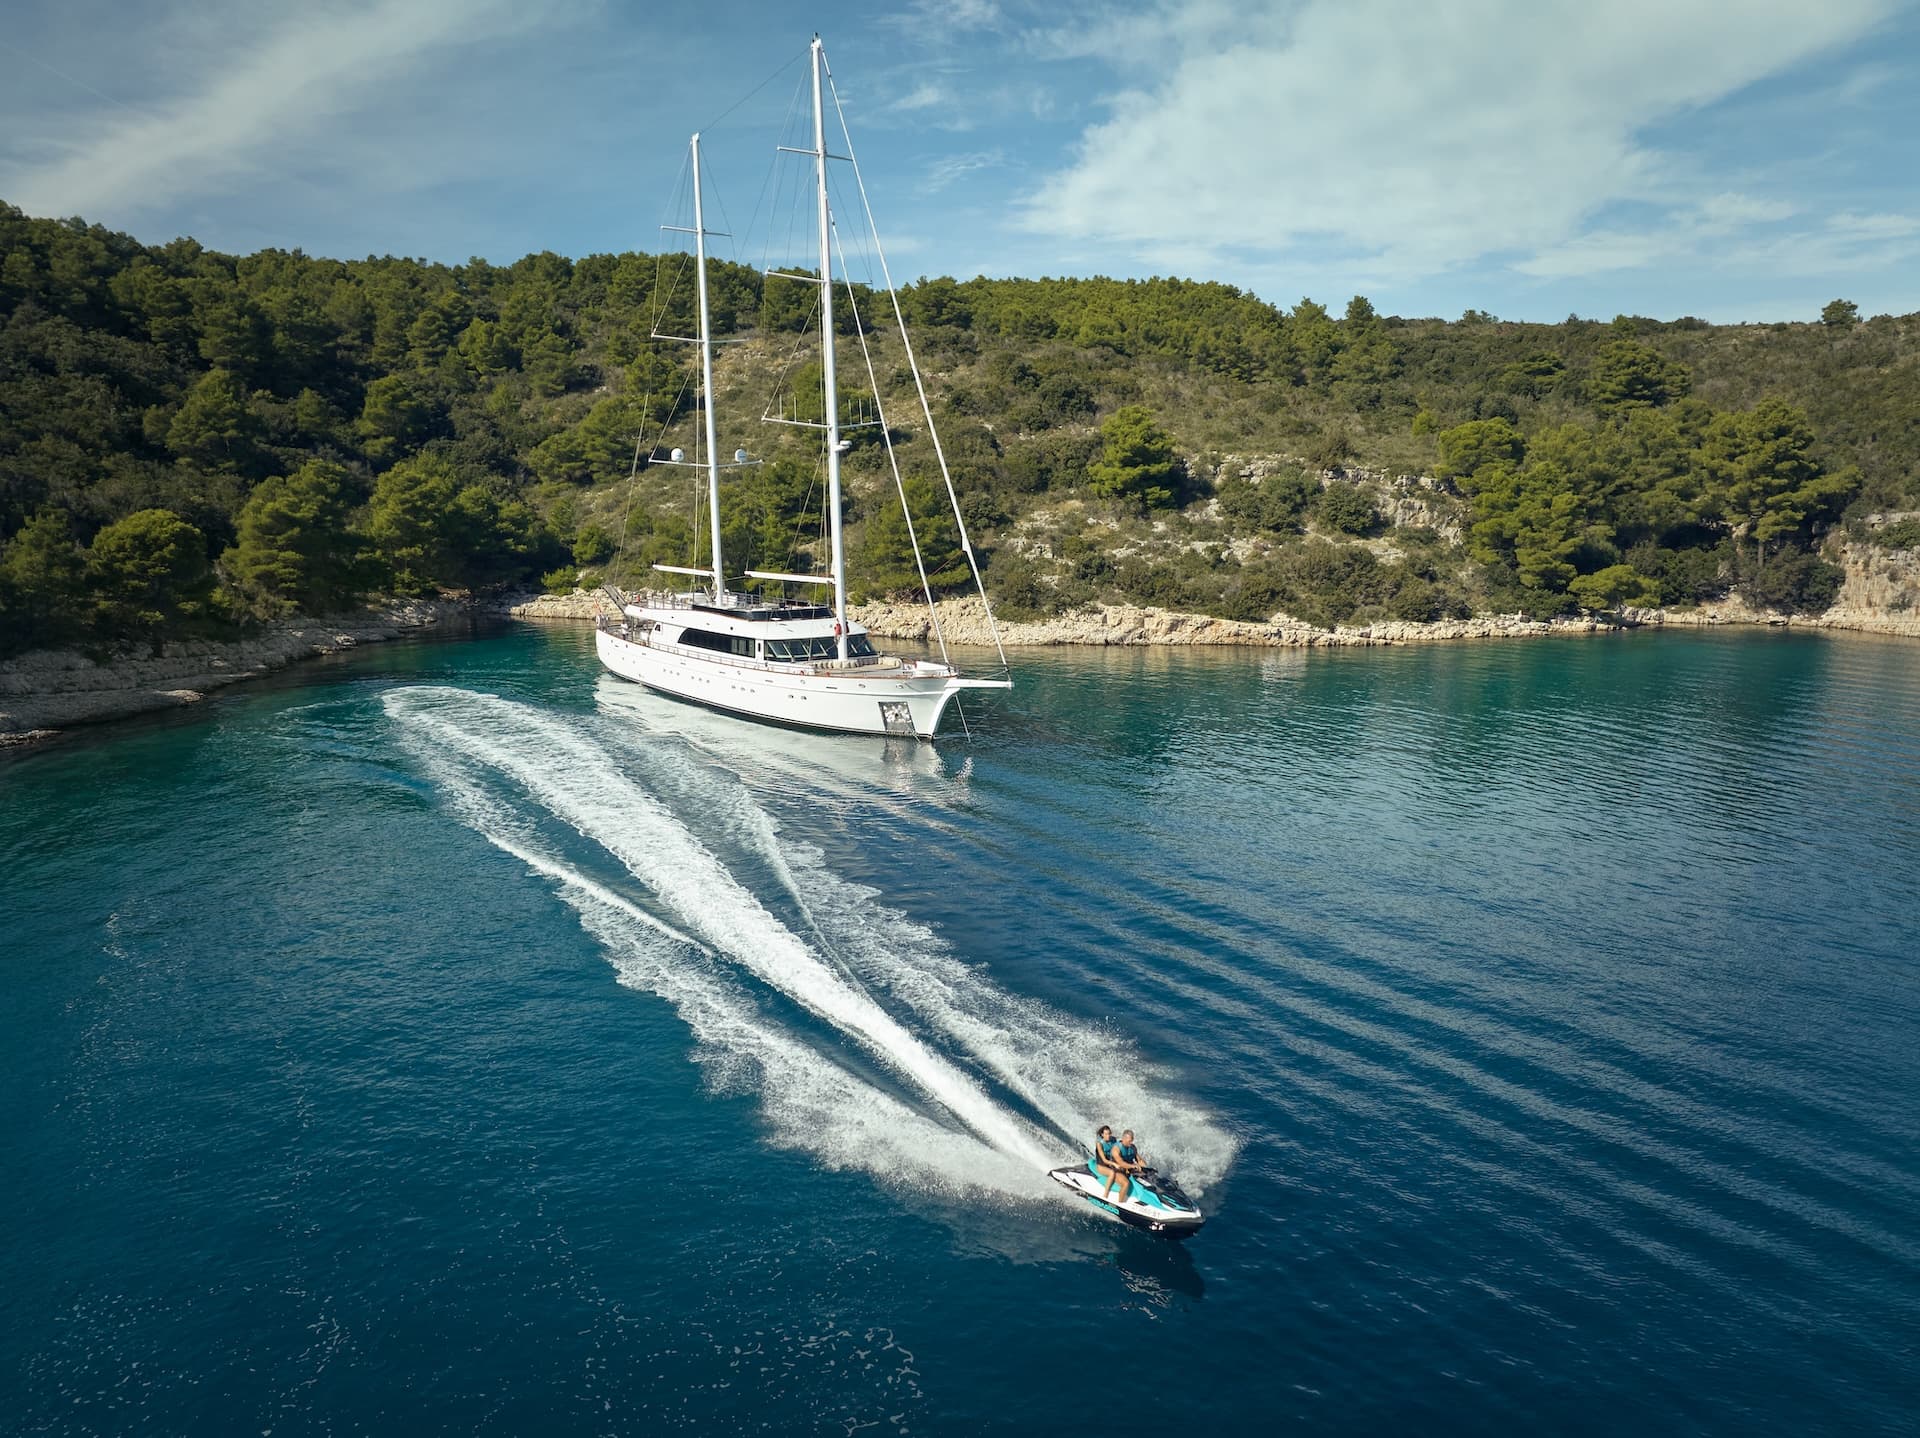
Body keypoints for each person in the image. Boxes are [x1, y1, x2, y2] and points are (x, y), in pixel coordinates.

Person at [1092, 1124, 1130, 1203]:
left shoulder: (1113, 1140)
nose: (1108, 1136)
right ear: (1102, 1134)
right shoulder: (1099, 1144)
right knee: (1111, 1173)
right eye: (1106, 1134)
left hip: (1110, 1165)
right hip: (1101, 1165)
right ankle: (1105, 1195)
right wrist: (1115, 1164)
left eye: (1109, 1133)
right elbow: (1104, 1160)